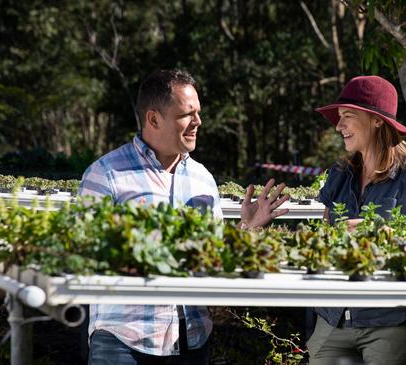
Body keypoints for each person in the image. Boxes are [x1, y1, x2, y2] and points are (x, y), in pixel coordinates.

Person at [79, 69, 289, 365]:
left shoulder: (203, 178)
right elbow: (87, 253)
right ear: (153, 119)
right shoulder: (107, 174)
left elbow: (213, 258)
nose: (198, 122)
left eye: (198, 113)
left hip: (190, 338)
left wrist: (247, 229)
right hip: (123, 340)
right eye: (187, 115)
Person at [307, 75, 406, 365]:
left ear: (377, 121)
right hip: (333, 320)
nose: (338, 125)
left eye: (347, 116)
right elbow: (323, 239)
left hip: (392, 322)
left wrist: (384, 234)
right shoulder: (338, 175)